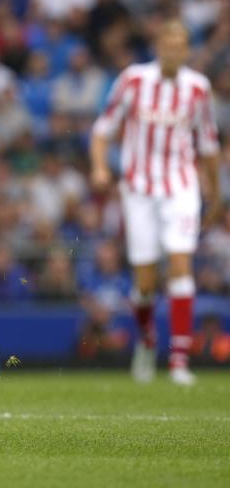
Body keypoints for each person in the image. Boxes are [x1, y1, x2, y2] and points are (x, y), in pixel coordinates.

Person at [90, 19, 222, 386]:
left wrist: (215, 195)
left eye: (181, 44)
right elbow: (103, 129)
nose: (174, 50)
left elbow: (208, 146)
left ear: (187, 49)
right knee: (145, 283)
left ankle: (179, 360)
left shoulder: (198, 88)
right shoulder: (133, 80)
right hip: (139, 189)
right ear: (158, 44)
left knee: (181, 265)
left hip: (181, 186)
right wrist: (100, 168)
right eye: (168, 42)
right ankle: (147, 340)